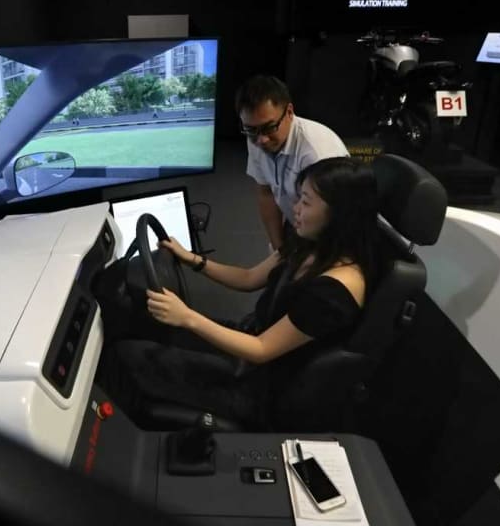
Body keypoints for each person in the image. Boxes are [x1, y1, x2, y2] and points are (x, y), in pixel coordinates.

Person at [102, 157, 379, 431]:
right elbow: (249, 278)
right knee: (146, 326)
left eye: (306, 202)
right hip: (249, 339)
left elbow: (262, 350)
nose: (295, 208)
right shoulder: (308, 243)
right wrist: (193, 259)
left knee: (125, 358)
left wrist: (187, 317)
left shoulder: (336, 290)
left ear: (339, 214)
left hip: (258, 386)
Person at [238, 75, 349, 252]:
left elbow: (336, 221)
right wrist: (279, 250)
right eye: (251, 130)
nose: (261, 140)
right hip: (300, 224)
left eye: (269, 127)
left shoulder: (316, 155)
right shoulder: (256, 137)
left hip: (333, 235)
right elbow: (266, 193)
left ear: (289, 112)